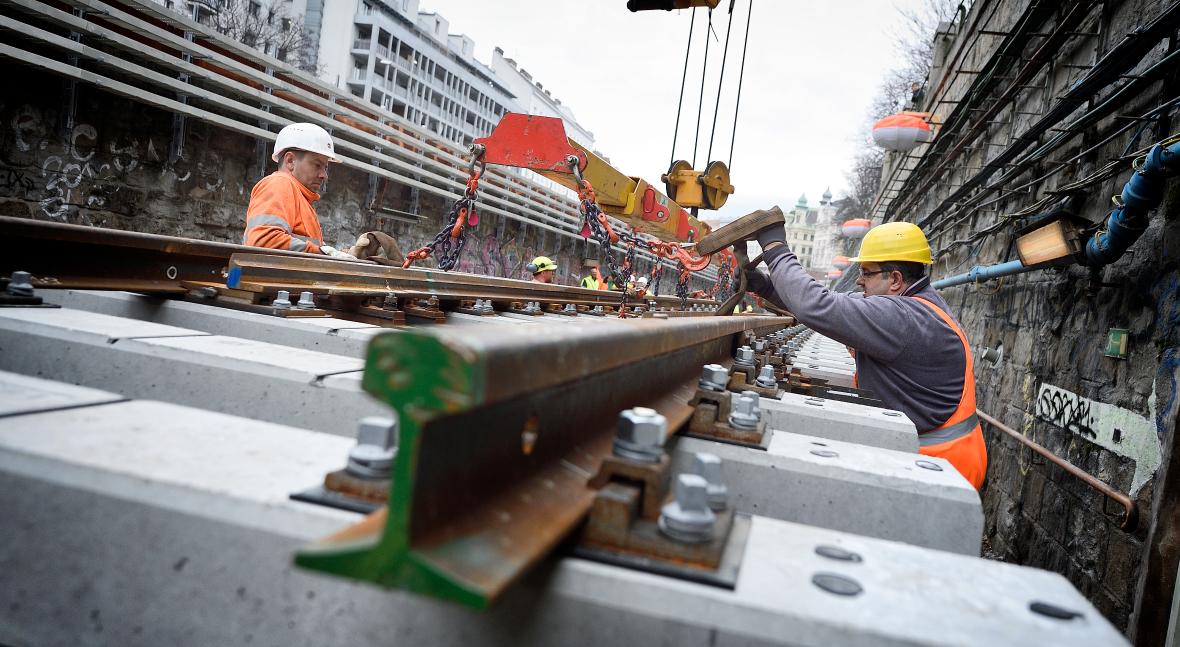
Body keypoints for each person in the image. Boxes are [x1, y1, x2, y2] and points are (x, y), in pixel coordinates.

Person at [700, 209, 987, 490]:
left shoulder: (906, 318)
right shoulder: (917, 306)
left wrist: (775, 247)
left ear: (896, 280)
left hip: (940, 466)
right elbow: (832, 302)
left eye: (866, 272)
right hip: (933, 454)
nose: (859, 280)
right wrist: (766, 287)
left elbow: (818, 307)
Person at [243, 123, 356, 259]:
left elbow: (306, 248)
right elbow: (263, 241)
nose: (324, 175)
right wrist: (324, 253)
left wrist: (335, 253)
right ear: (290, 161)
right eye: (317, 165)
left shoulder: (300, 198)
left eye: (325, 167)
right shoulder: (279, 184)